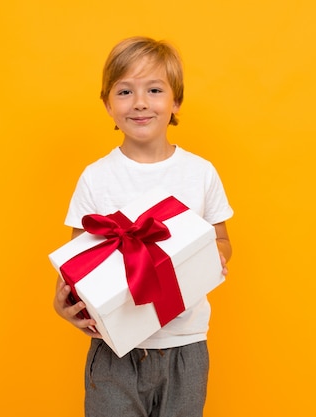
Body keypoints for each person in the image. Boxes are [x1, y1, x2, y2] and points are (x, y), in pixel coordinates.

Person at [53, 36, 233, 417]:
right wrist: (64, 305)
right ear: (107, 104)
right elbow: (77, 266)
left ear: (176, 101)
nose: (139, 103)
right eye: (124, 91)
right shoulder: (95, 178)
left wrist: (212, 257)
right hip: (114, 350)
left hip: (186, 344)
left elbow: (221, 239)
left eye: (154, 90)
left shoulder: (200, 173)